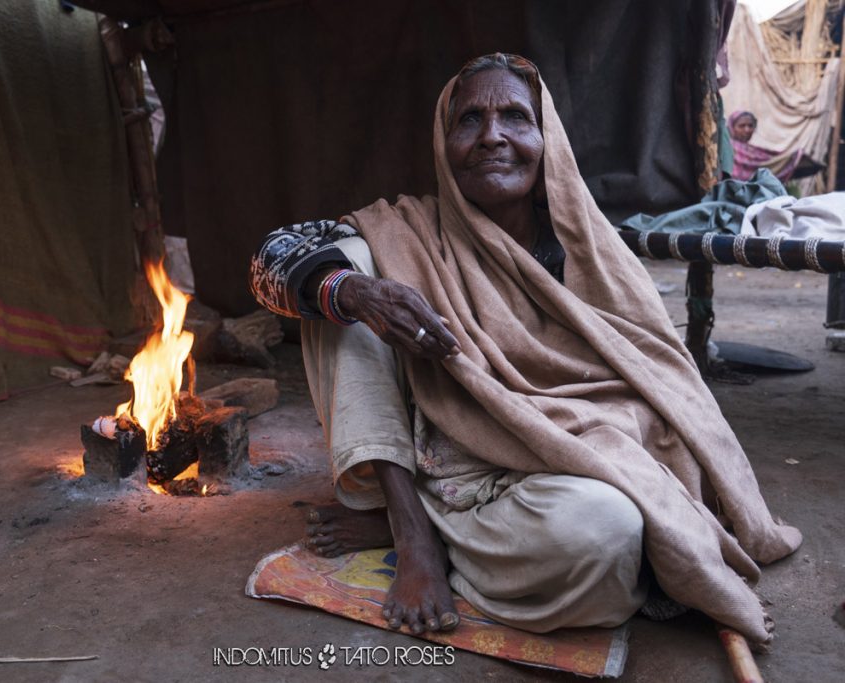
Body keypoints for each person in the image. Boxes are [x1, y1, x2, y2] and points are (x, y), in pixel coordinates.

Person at [250, 54, 801, 647]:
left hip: (562, 473)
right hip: (448, 467)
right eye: (469, 121)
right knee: (340, 277)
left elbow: (663, 383)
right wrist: (357, 291)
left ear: (547, 140)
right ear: (444, 139)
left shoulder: (589, 252)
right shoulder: (405, 234)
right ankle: (412, 531)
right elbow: (270, 259)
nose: (493, 137)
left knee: (608, 532)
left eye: (515, 117)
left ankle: (430, 534)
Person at [728, 110, 807, 182]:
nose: (747, 130)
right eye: (742, 126)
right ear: (732, 127)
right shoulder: (728, 147)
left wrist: (789, 157)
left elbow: (770, 160)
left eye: (750, 126)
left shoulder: (753, 151)